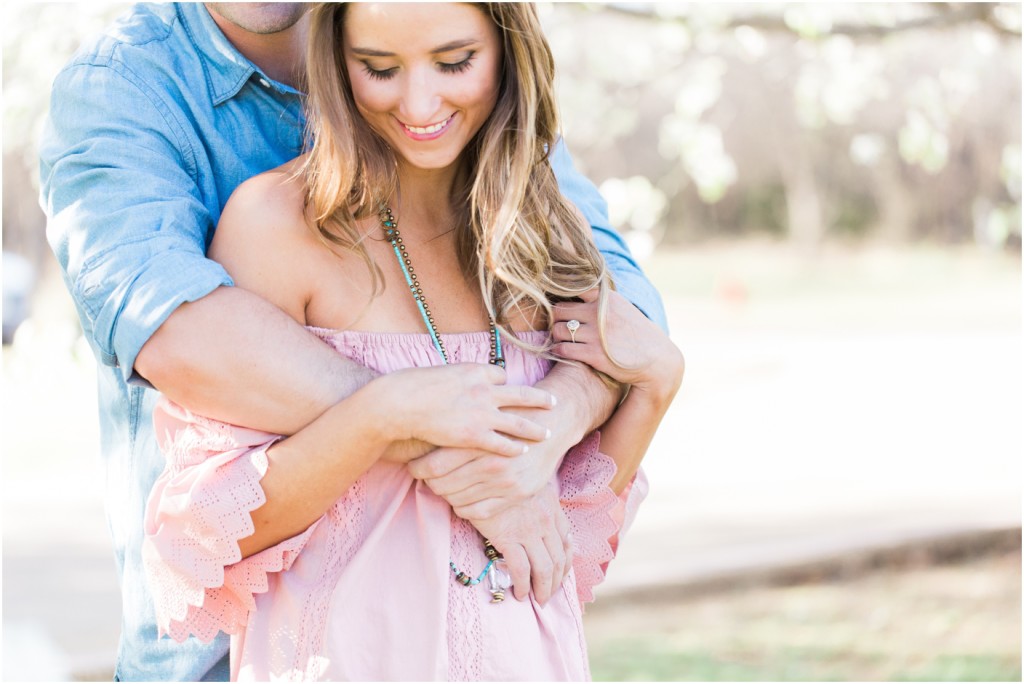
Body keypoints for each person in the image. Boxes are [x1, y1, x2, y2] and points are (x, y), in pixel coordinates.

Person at [38, 2, 667, 681]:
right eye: (380, 68)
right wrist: (417, 421)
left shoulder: (518, 200)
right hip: (237, 654)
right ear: (344, 66)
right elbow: (174, 335)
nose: (420, 101)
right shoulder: (129, 94)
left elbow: (621, 320)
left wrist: (600, 399)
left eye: (454, 61)